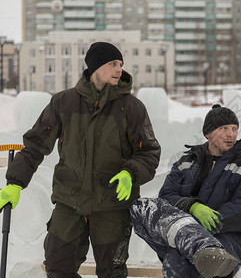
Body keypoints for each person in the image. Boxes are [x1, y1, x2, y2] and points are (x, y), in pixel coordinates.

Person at [0, 42, 161, 277]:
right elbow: (35, 145)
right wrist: (15, 182)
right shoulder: (63, 103)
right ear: (95, 67)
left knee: (112, 272)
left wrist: (130, 173)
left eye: (121, 65)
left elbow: (149, 151)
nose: (119, 70)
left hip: (112, 204)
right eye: (113, 64)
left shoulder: (132, 107)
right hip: (69, 201)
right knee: (57, 266)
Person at [130, 104, 241, 278]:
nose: (231, 134)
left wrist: (192, 226)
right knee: (140, 207)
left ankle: (203, 246)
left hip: (225, 244)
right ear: (208, 133)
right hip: (180, 237)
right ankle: (197, 244)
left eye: (234, 128)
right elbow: (166, 197)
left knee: (183, 260)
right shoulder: (186, 162)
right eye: (223, 128)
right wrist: (193, 207)